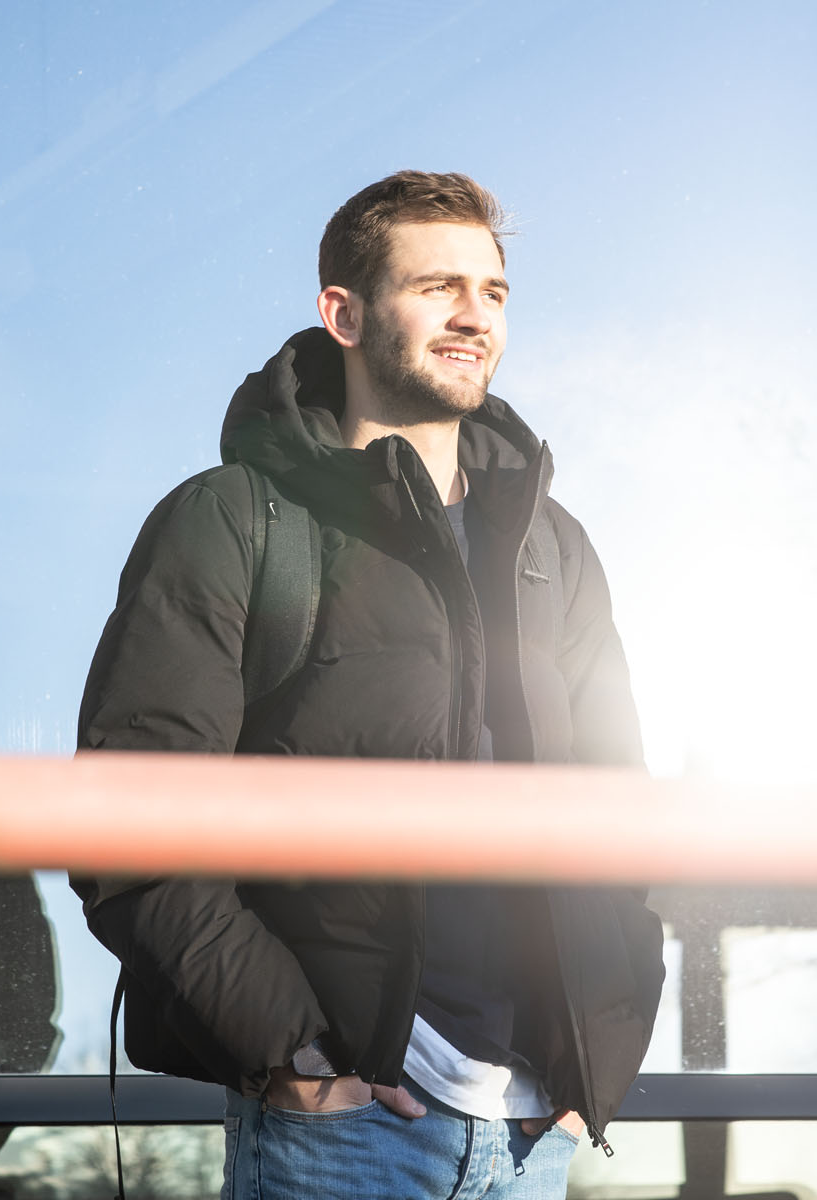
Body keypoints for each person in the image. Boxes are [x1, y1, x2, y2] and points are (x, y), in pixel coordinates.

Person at [71, 170, 663, 1199]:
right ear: (343, 314)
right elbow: (129, 818)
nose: (474, 315)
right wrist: (294, 1053)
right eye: (439, 287)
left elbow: (623, 813)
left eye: (494, 291)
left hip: (532, 1131)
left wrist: (593, 1058)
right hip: (343, 1130)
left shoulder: (551, 549)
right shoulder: (232, 520)